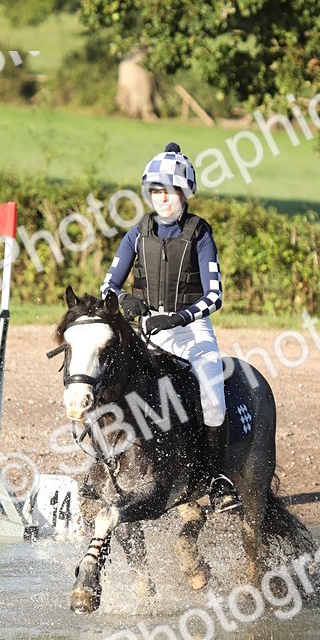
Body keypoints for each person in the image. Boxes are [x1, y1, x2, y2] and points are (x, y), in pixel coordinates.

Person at [101, 142, 241, 513]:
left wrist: (179, 317)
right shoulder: (137, 233)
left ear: (184, 194)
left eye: (171, 191)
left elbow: (215, 296)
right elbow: (107, 286)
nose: (163, 198)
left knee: (212, 396)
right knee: (110, 378)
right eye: (157, 191)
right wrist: (123, 301)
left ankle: (216, 478)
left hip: (192, 331)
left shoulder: (200, 233)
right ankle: (104, 467)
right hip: (148, 330)